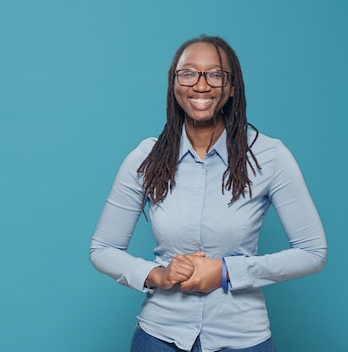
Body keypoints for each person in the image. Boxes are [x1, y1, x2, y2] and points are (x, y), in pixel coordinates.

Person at [89, 35, 327, 352]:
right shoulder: (146, 158)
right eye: (188, 73)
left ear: (231, 87)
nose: (201, 85)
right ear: (174, 85)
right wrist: (156, 275)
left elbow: (313, 252)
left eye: (215, 74)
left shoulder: (269, 156)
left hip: (242, 340)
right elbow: (102, 248)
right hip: (159, 338)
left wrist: (227, 272)